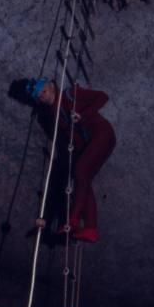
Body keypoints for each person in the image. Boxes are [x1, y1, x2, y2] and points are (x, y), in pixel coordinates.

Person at [14, 76, 116, 243]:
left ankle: (72, 220)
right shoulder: (53, 115)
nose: (43, 97)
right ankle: (90, 228)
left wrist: (84, 115)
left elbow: (102, 97)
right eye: (39, 97)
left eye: (44, 92)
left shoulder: (70, 93)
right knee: (82, 179)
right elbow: (71, 134)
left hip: (102, 133)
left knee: (81, 171)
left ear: (51, 85)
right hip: (88, 142)